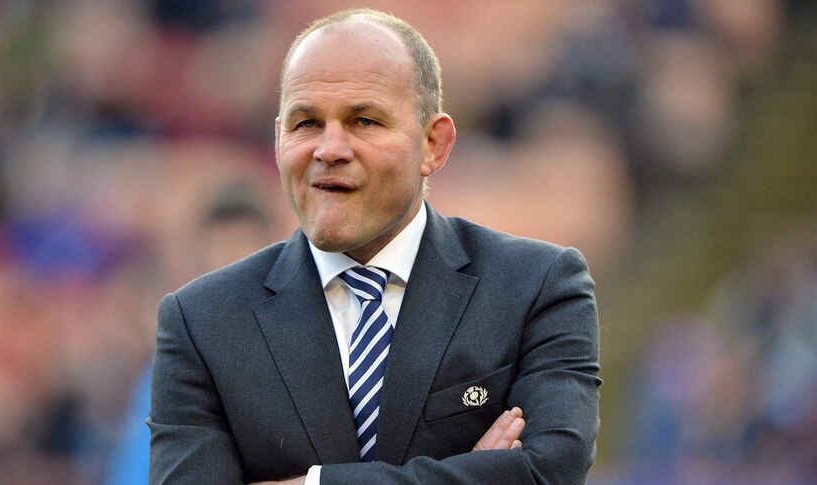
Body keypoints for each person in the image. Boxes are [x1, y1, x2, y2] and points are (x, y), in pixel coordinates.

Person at [149, 8, 600, 485]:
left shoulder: (537, 287)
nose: (329, 149)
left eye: (364, 120)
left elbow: (550, 470)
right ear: (278, 139)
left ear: (434, 144)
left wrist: (314, 484)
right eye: (306, 124)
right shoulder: (200, 321)